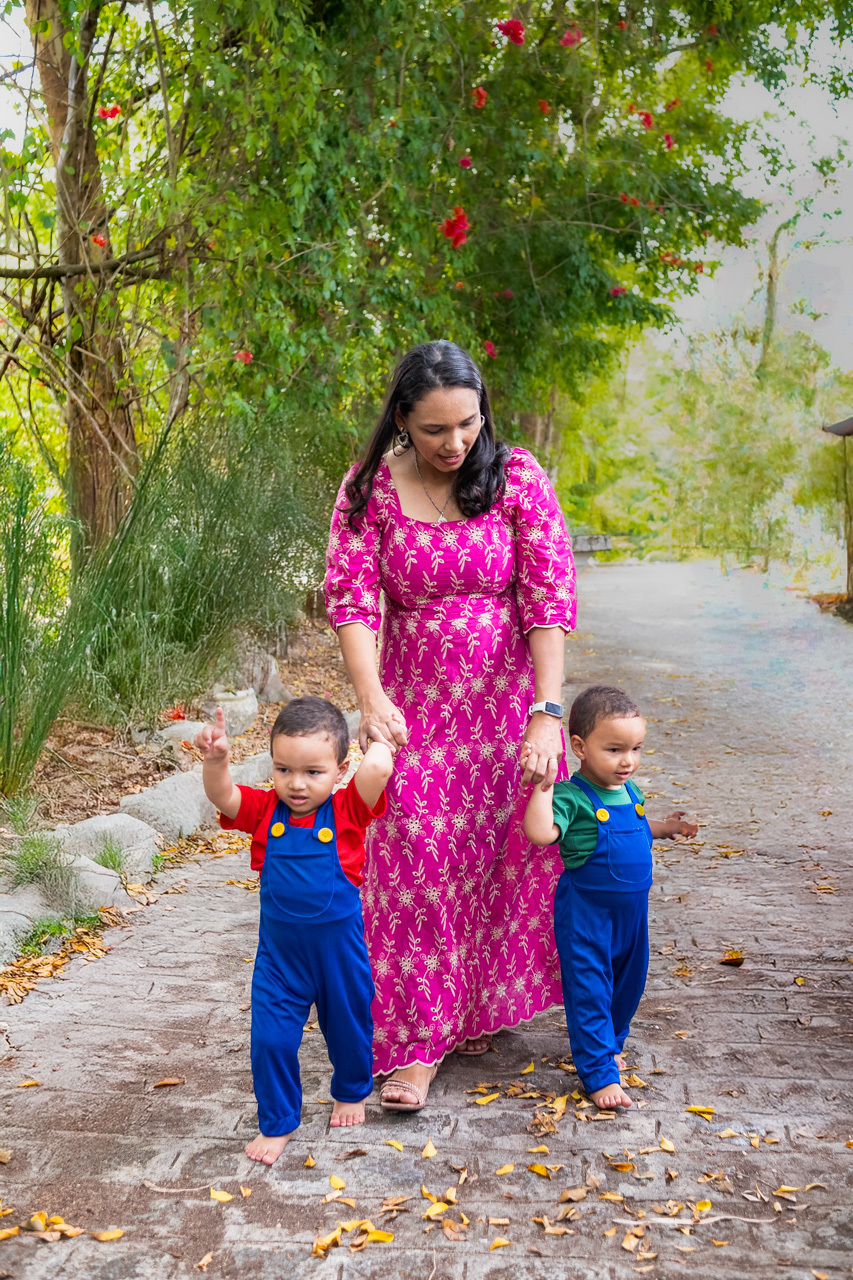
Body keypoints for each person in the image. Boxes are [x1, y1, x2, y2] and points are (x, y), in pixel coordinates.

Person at [324, 340, 575, 1111]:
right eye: (435, 429)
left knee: (496, 860)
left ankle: (464, 1011)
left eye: (467, 424)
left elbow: (547, 596)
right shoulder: (367, 490)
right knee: (416, 869)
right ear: (402, 419)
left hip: (506, 711)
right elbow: (352, 599)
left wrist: (546, 712)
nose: (455, 443)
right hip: (414, 713)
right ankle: (417, 1044)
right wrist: (369, 699)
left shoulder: (517, 477)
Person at [194, 697, 392, 1163]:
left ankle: (350, 1091)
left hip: (338, 955)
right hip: (280, 959)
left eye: (312, 772)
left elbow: (379, 770)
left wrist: (378, 737)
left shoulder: (347, 812)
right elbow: (223, 797)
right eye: (283, 769)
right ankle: (279, 1120)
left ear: (341, 769)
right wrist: (217, 760)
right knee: (270, 1039)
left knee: (348, 1026)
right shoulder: (265, 810)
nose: (296, 784)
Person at [524, 684, 698, 1110]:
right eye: (616, 750)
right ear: (580, 747)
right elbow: (540, 832)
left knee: (629, 984)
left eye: (636, 749)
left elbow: (638, 828)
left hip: (633, 917)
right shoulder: (571, 795)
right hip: (587, 913)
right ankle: (598, 1072)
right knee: (591, 989)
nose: (628, 761)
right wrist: (543, 790)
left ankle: (610, 1043)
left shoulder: (630, 792)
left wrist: (667, 828)